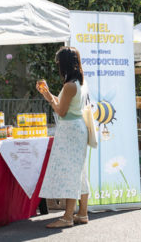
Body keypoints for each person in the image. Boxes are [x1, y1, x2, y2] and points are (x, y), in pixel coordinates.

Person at [37, 47, 90, 228]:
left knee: (71, 172)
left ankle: (67, 217)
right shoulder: (79, 83)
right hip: (77, 129)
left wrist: (50, 98)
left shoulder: (69, 85)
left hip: (70, 131)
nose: (57, 65)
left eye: (59, 62)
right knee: (80, 171)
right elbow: (64, 106)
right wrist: (48, 94)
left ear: (65, 63)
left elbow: (61, 111)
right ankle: (82, 213)